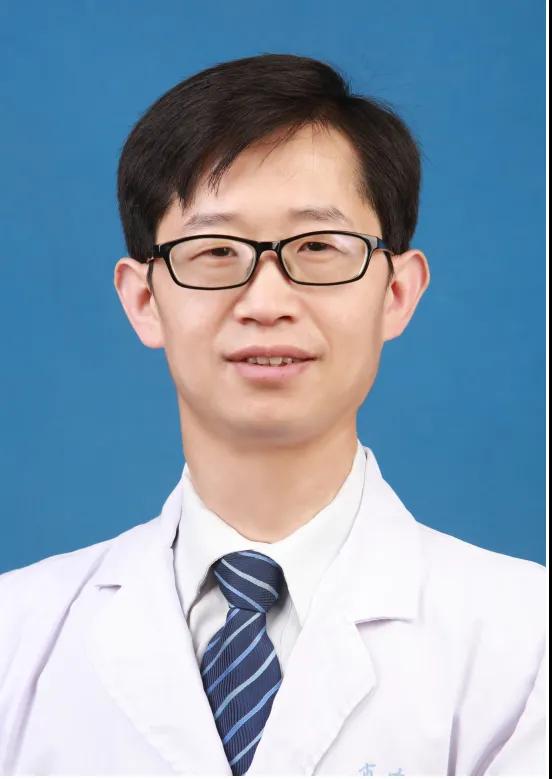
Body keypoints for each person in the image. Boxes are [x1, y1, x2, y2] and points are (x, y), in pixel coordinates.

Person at [0, 53, 546, 777]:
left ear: (396, 293)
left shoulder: (527, 642)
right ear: (143, 299)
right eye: (214, 250)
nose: (266, 302)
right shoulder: (15, 637)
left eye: (318, 247)